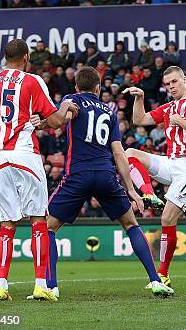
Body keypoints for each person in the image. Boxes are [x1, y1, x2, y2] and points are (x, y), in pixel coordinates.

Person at [33, 67, 173, 298]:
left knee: (48, 227)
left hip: (78, 174)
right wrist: (132, 190)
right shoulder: (108, 112)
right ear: (98, 88)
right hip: (106, 175)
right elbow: (119, 153)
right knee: (131, 224)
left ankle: (51, 286)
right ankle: (156, 280)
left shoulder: (72, 100)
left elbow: (60, 120)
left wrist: (41, 123)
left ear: (77, 87)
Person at [0, 39, 79, 302]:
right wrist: (65, 109)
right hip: (25, 154)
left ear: (4, 58)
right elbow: (53, 122)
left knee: (7, 224)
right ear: (27, 57)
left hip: (0, 158)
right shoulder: (32, 81)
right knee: (38, 221)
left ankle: (1, 285)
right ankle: (40, 284)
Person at [124, 66, 186, 288]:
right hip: (171, 163)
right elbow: (140, 119)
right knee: (130, 154)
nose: (171, 86)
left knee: (167, 220)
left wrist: (179, 121)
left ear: (185, 80)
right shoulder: (169, 107)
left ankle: (162, 275)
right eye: (168, 84)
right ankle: (149, 194)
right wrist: (140, 98)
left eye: (175, 81)